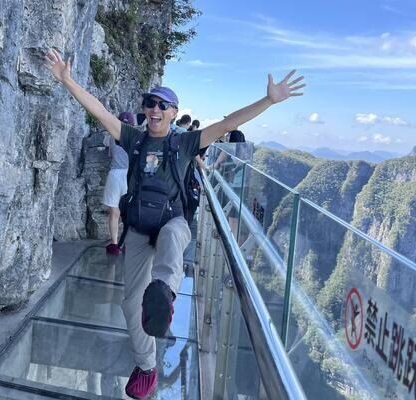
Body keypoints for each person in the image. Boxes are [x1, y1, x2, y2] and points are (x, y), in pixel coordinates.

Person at [45, 48, 304, 399]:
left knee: (171, 239)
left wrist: (269, 100)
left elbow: (228, 124)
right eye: (150, 103)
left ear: (173, 113)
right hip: (137, 228)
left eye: (162, 105)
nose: (154, 109)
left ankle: (165, 290)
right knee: (129, 304)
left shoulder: (184, 143)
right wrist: (67, 79)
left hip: (174, 221)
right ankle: (147, 365)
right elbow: (99, 111)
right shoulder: (134, 138)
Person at [103, 111, 135, 255]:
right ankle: (127, 244)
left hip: (115, 174)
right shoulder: (135, 139)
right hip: (129, 176)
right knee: (128, 214)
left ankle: (115, 245)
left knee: (114, 212)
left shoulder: (111, 136)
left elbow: (109, 152)